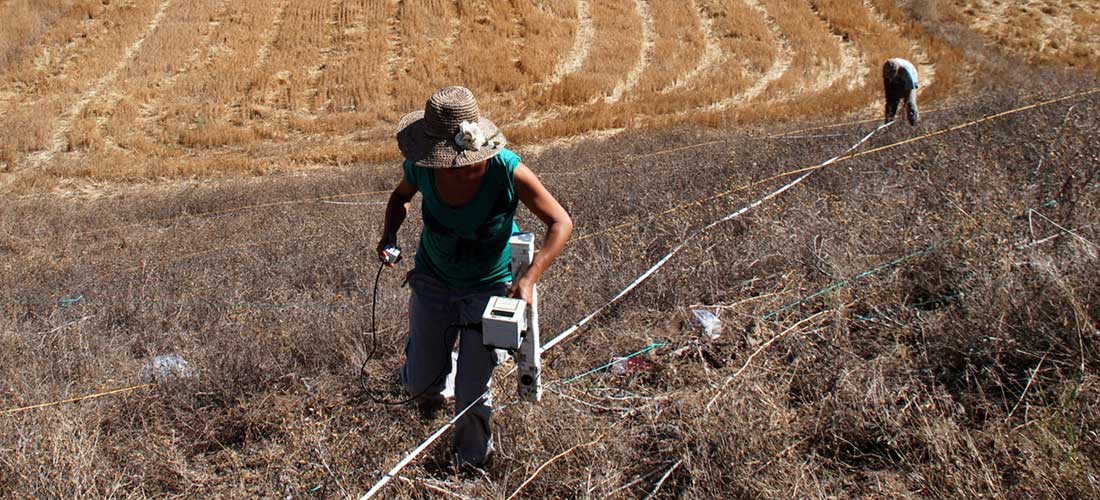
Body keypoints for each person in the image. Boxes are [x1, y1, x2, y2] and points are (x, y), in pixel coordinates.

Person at [377, 86, 573, 469]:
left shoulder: (506, 169)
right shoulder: (422, 168)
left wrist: (530, 278)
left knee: (472, 391)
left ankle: (471, 463)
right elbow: (399, 197)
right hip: (433, 280)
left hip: (487, 287)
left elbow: (560, 222)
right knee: (420, 385)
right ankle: (434, 376)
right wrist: (389, 235)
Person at [883, 57, 919, 126]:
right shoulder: (886, 68)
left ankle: (914, 123)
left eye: (892, 74)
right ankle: (888, 125)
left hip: (911, 82)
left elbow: (910, 89)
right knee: (891, 103)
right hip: (897, 81)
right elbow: (887, 88)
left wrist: (905, 105)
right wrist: (889, 103)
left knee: (910, 105)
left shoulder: (905, 71)